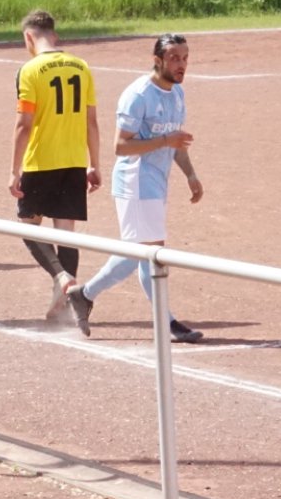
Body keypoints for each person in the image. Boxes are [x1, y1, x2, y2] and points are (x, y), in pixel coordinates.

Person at [65, 34, 206, 343]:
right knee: (149, 253)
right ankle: (166, 322)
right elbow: (120, 146)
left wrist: (191, 174)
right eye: (174, 58)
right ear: (158, 60)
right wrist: (166, 141)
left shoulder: (177, 93)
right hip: (135, 181)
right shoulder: (138, 95)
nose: (181, 64)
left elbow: (176, 141)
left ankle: (84, 295)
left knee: (143, 253)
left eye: (185, 58)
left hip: (156, 182)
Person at [9, 10, 101, 322]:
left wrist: (14, 170)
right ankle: (65, 299)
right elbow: (91, 121)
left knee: (26, 225)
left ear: (28, 37)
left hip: (41, 161)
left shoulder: (30, 70)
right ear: (55, 35)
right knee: (66, 234)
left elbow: (24, 125)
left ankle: (62, 278)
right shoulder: (81, 66)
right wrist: (94, 164)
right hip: (74, 161)